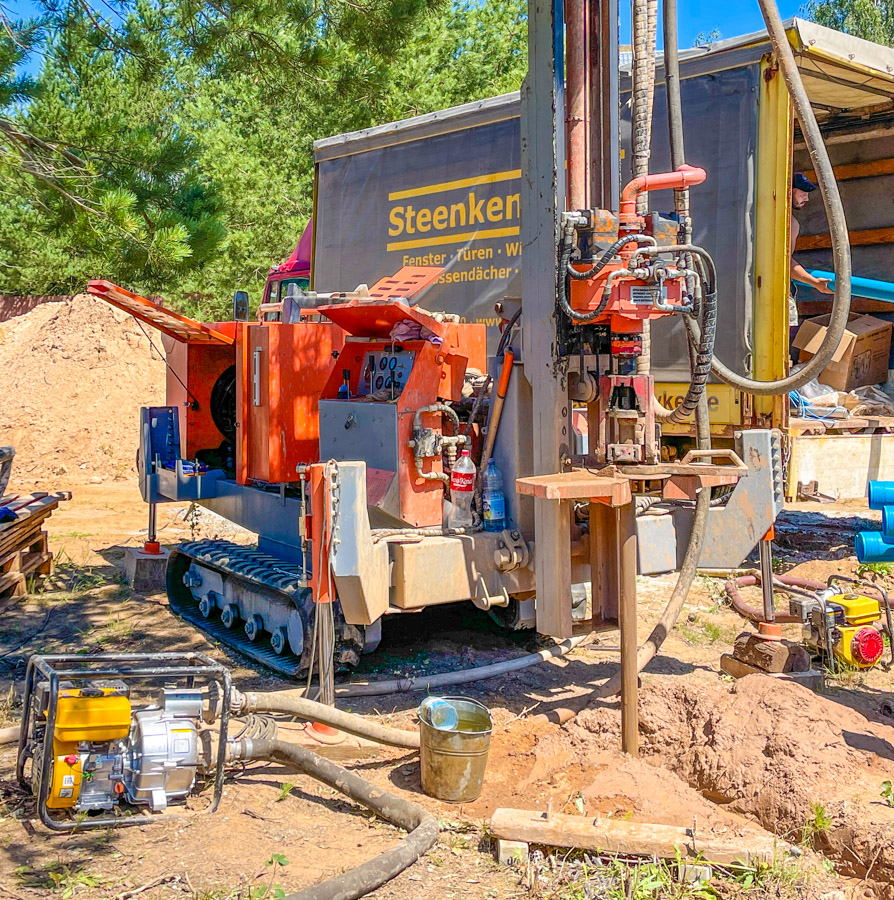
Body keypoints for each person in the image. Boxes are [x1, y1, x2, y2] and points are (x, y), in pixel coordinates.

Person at [789, 173, 833, 336]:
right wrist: (814, 282)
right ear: (789, 191)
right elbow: (784, 262)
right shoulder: (790, 223)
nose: (806, 198)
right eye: (802, 193)